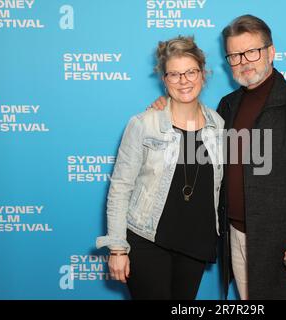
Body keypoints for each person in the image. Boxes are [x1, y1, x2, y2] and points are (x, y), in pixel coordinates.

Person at [151, 15, 286, 300]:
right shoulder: (228, 104)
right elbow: (196, 152)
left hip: (284, 245)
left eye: (251, 51)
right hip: (235, 235)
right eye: (234, 55)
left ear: (271, 52)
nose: (244, 61)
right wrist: (168, 108)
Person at [96, 36, 224, 300]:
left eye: (190, 72)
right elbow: (120, 187)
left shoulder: (219, 125)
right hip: (147, 240)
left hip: (195, 244)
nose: (184, 80)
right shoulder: (144, 124)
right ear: (164, 80)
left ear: (203, 74)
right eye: (174, 74)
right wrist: (118, 249)